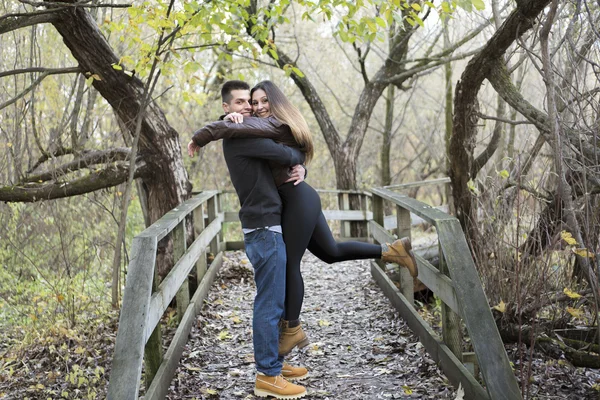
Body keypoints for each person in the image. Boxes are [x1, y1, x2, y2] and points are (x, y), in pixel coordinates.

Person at [190, 80, 418, 357]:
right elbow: (286, 153)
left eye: (263, 101)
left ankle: (293, 329)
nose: (257, 107)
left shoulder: (271, 124)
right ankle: (392, 251)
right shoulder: (263, 125)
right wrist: (229, 120)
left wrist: (207, 133)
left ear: (276, 102)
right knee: (330, 252)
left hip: (297, 199)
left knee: (290, 264)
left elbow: (283, 151)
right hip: (300, 197)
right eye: (253, 102)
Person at [188, 80, 308, 399]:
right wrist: (297, 155)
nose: (247, 107)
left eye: (249, 102)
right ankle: (268, 375)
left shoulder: (242, 132)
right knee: (269, 302)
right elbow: (285, 152)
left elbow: (283, 158)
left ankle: (274, 366)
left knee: (274, 298)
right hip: (264, 226)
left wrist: (300, 167)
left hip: (265, 223)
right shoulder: (239, 138)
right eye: (240, 102)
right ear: (226, 107)